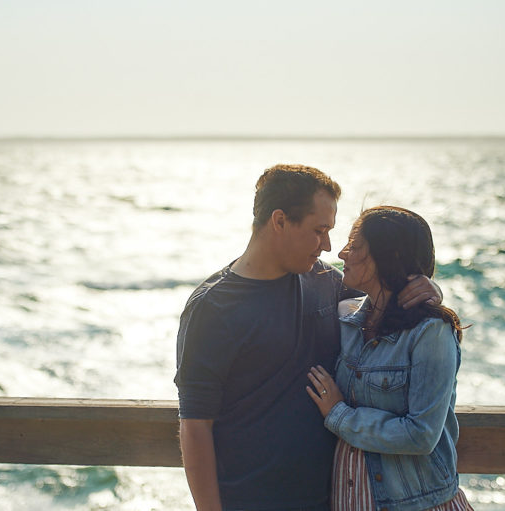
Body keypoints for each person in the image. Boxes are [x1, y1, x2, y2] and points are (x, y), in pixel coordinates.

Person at [174, 165, 442, 511]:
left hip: (333, 500)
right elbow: (195, 426)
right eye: (319, 230)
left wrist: (429, 287)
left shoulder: (327, 282)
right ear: (280, 221)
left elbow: (387, 295)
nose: (329, 245)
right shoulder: (212, 307)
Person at [306, 206, 473, 511]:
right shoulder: (345, 318)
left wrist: (339, 414)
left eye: (355, 246)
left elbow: (421, 435)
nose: (342, 253)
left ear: (390, 256)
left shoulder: (430, 332)